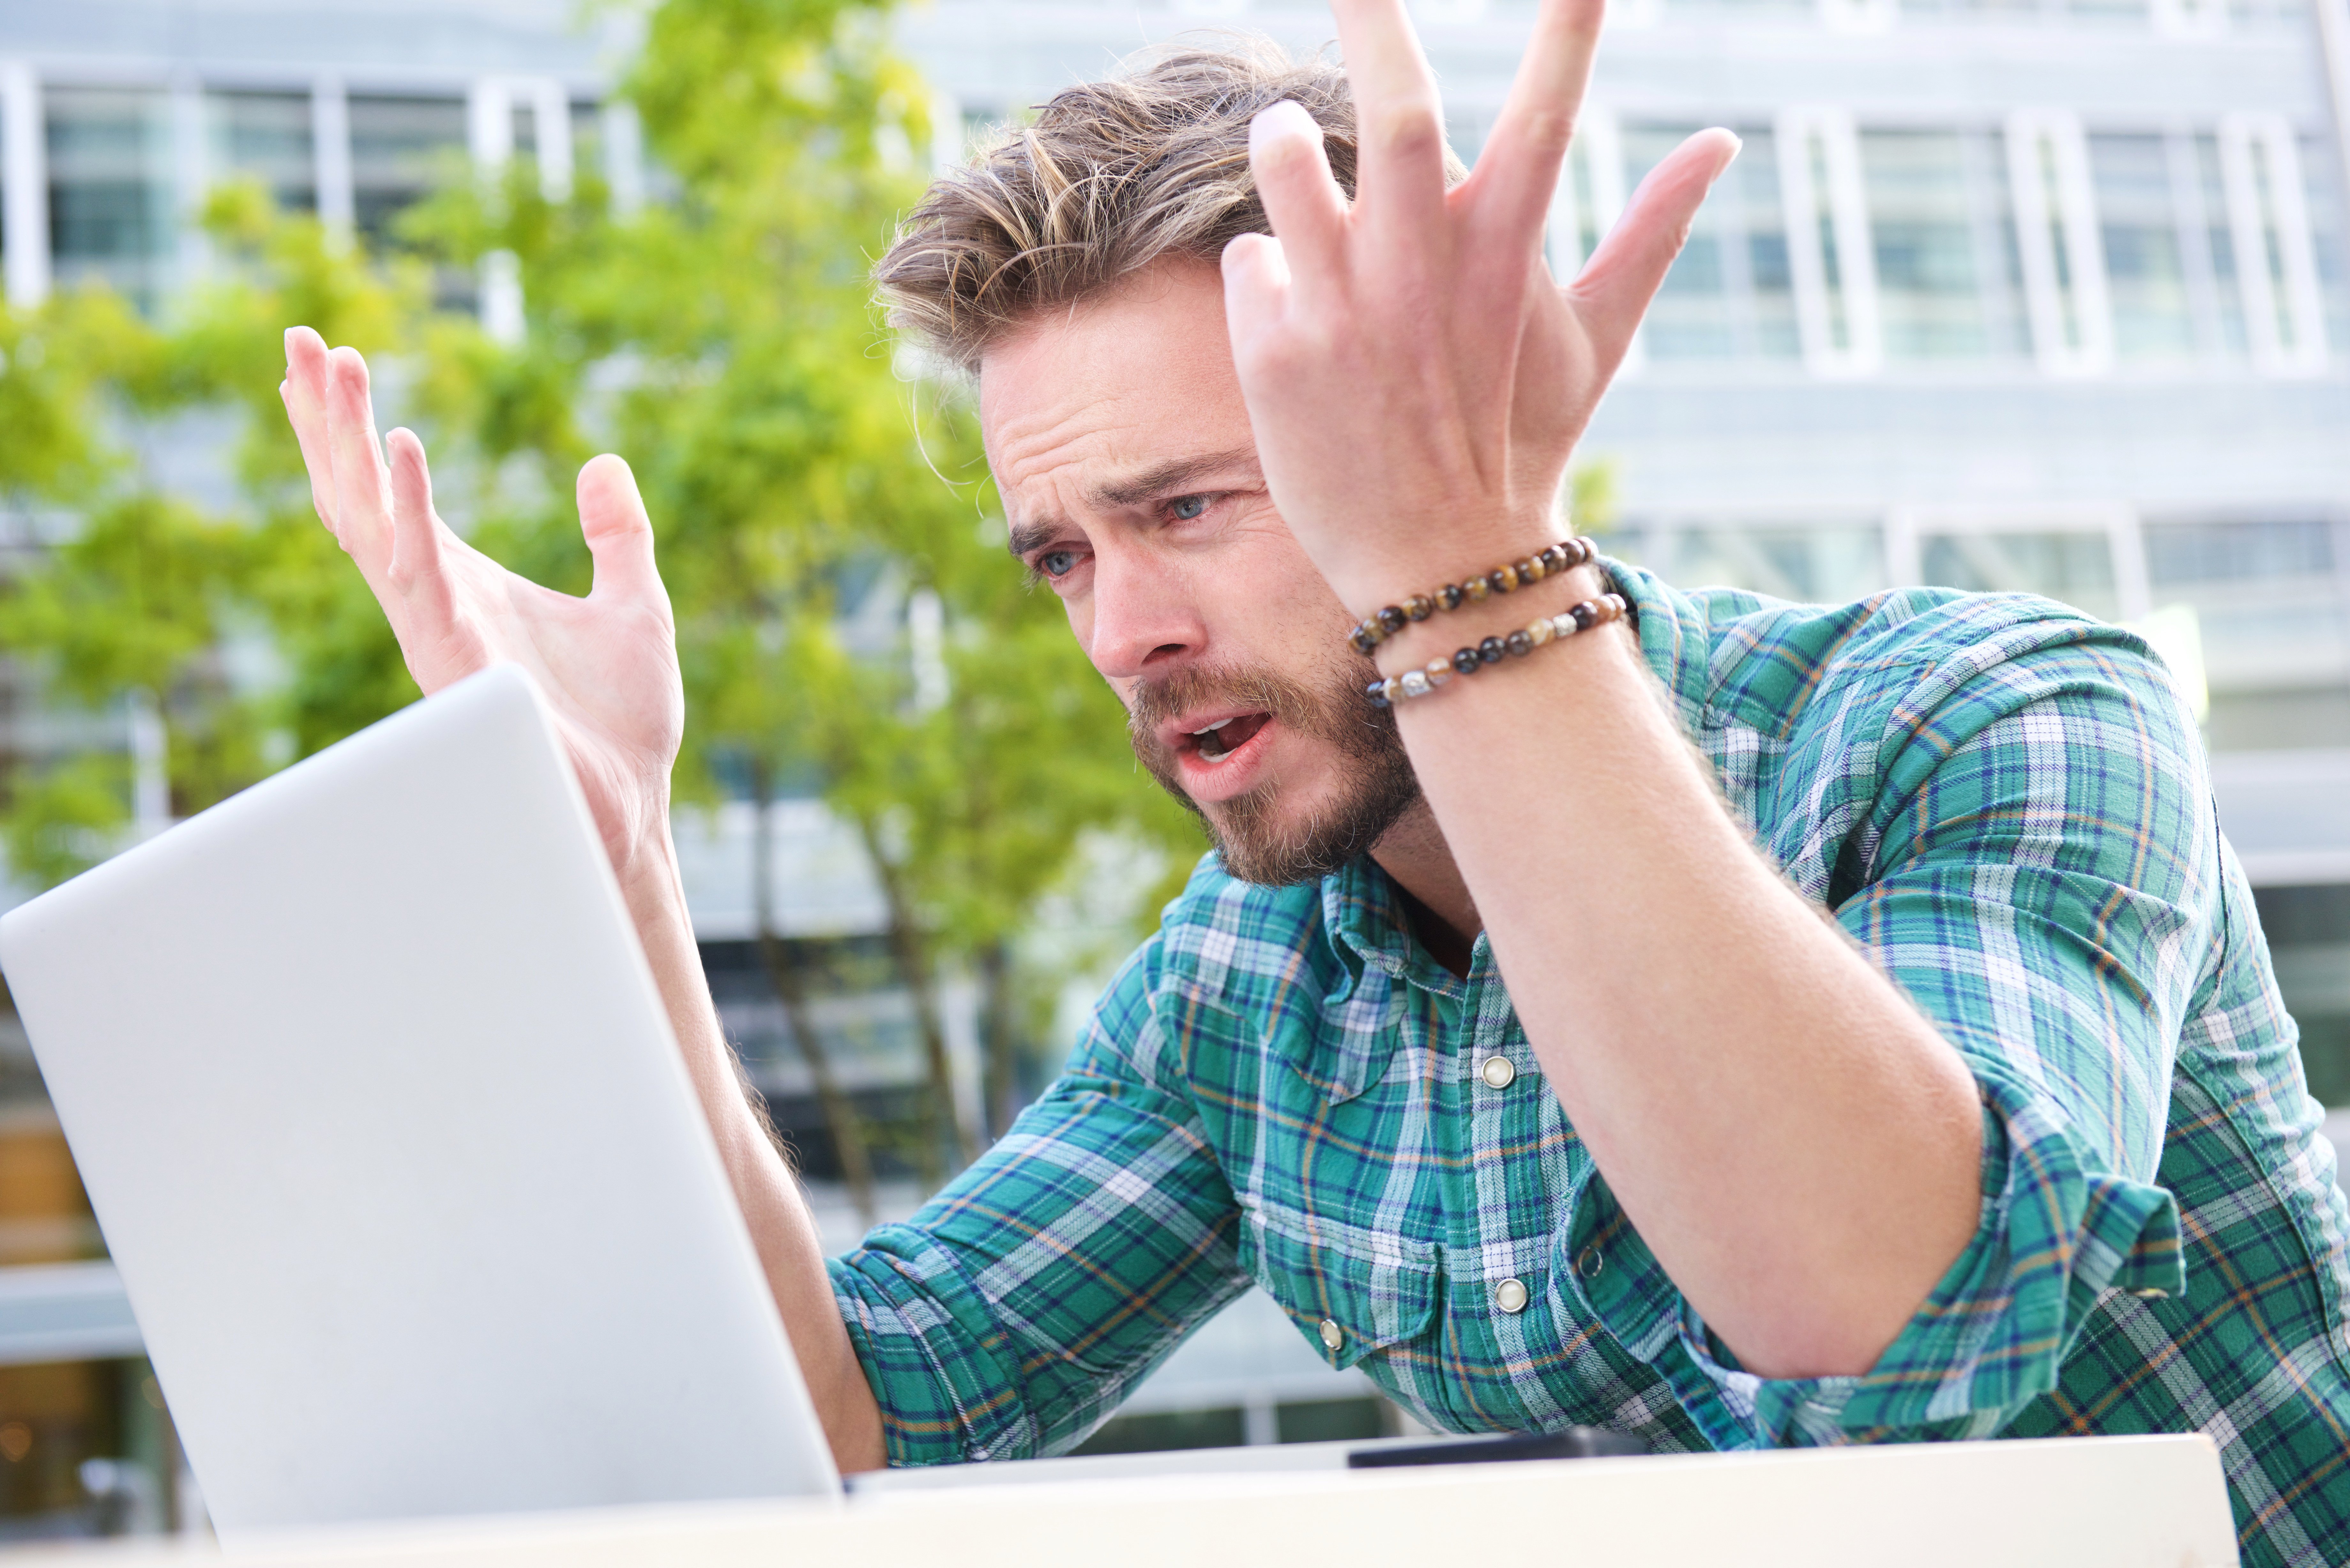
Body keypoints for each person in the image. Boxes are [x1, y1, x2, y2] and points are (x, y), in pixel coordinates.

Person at [275, 0, 2350, 1559]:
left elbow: (1904, 1319)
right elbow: (877, 1420)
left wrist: (1457, 565)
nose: (1119, 632)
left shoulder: (1987, 716)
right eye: (1066, 553)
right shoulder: (1248, 990)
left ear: (1422, 427)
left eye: (1188, 508)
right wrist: (619, 862)